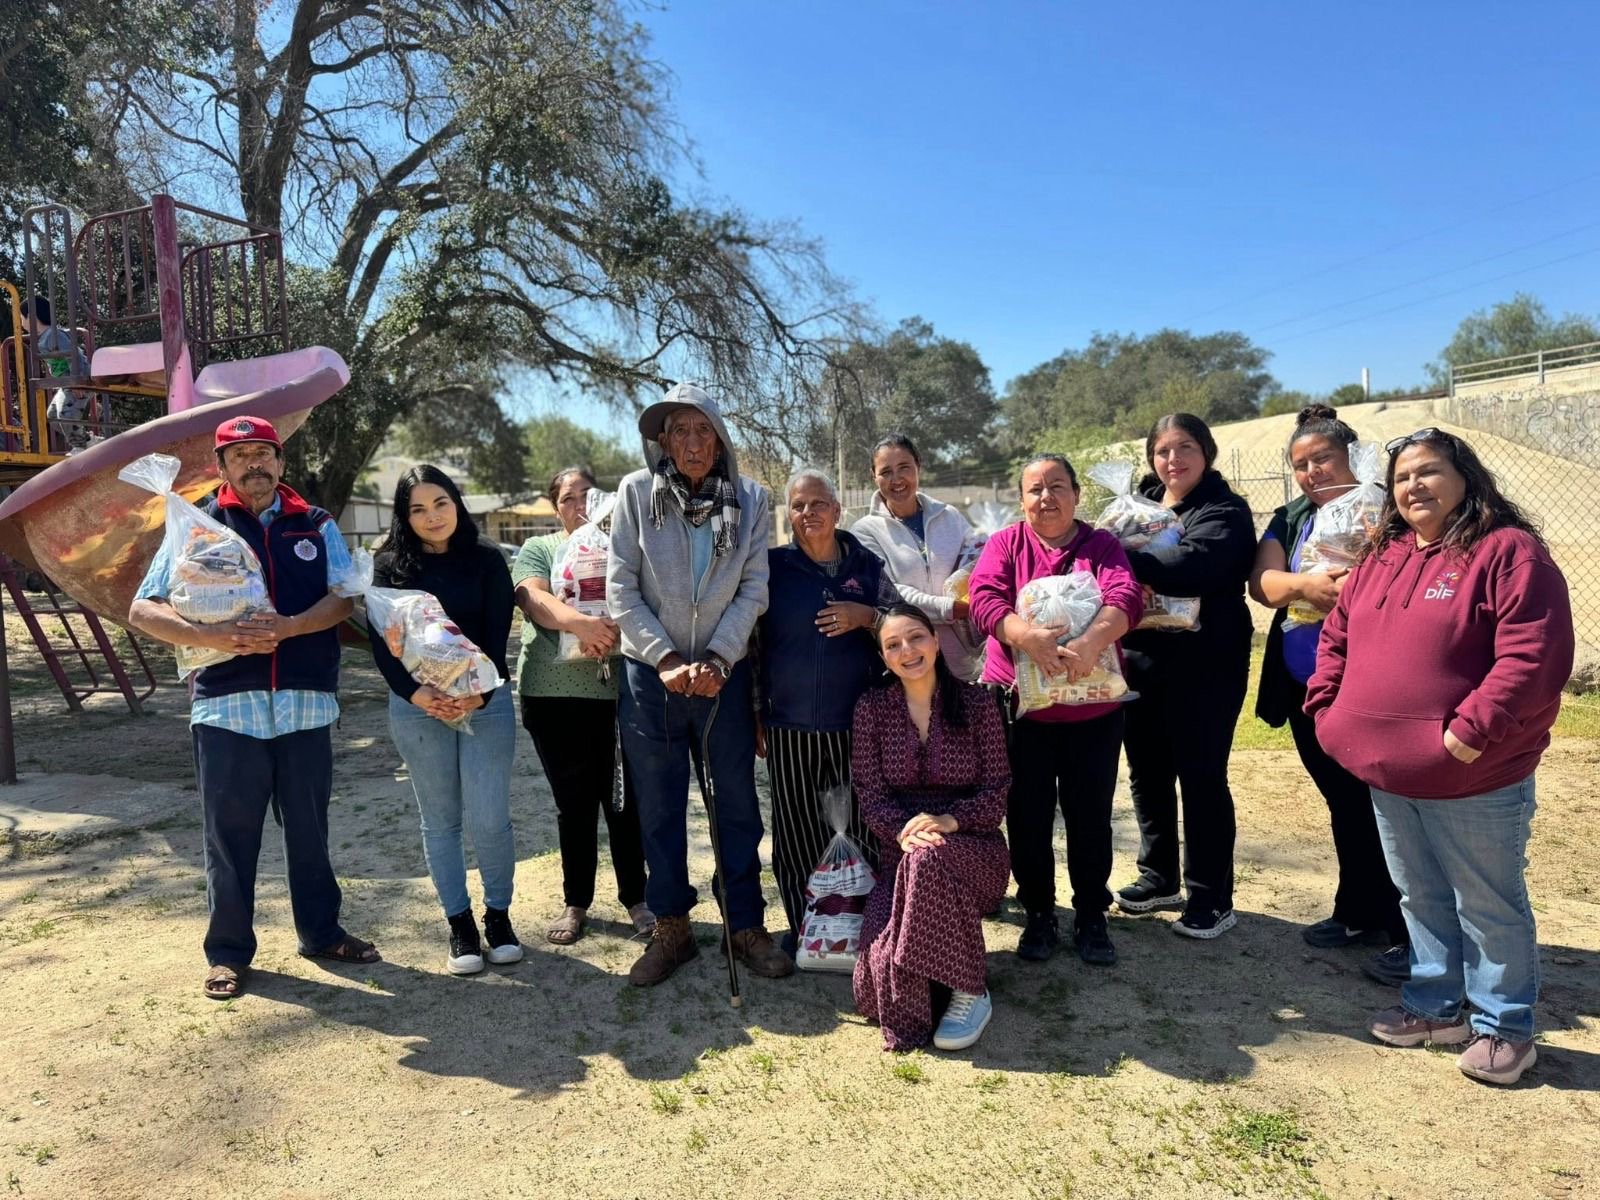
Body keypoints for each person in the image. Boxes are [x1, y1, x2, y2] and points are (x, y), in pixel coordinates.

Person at [1307, 428, 1573, 1086]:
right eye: (1402, 477)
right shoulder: (1384, 554)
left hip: (1475, 775)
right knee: (1419, 896)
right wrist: (1326, 709)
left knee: (1488, 904)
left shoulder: (1507, 551)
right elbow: (1337, 635)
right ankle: (1434, 1007)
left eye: (1427, 472)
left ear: (1465, 478)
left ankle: (1505, 1027)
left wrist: (1469, 733)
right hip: (1389, 774)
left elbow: (1533, 654)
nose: (1413, 486)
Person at [129, 415, 379, 1000]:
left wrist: (290, 627)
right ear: (220, 467)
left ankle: (321, 933)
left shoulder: (315, 524)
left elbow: (344, 599)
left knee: (310, 831)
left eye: (263, 453)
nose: (254, 464)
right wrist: (212, 638)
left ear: (281, 461)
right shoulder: (197, 524)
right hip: (226, 708)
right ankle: (228, 954)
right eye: (239, 456)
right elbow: (144, 608)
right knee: (229, 838)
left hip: (305, 704)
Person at [607, 382, 791, 986]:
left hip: (722, 676)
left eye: (703, 430)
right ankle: (673, 928)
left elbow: (754, 589)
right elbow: (620, 588)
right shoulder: (635, 494)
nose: (691, 442)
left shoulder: (751, 499)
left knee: (736, 804)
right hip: (650, 677)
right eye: (679, 430)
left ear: (720, 440)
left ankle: (744, 924)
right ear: (662, 441)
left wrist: (717, 657)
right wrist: (664, 658)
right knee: (659, 809)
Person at [1250, 404, 1406, 977]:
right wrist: (1308, 585)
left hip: (1372, 686)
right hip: (1306, 687)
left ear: (1351, 457)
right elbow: (1263, 583)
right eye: (1301, 464)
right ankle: (1358, 910)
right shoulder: (1292, 517)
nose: (1312, 472)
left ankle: (1409, 931)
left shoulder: (1384, 509)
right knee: (1344, 802)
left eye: (1323, 459)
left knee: (1387, 807)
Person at [968, 454, 1143, 965]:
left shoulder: (1101, 545)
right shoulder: (1006, 544)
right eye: (1035, 489)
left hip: (1093, 714)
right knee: (1027, 817)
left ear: (1076, 495)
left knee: (1090, 817)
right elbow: (985, 599)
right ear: (1022, 500)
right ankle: (1039, 913)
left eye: (1058, 486)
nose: (1047, 497)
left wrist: (1090, 643)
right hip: (1022, 713)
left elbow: (1125, 596)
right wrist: (1027, 638)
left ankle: (1091, 913)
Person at [368, 465, 520, 976]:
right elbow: (383, 643)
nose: (432, 517)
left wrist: (477, 695)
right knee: (440, 821)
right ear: (404, 517)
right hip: (418, 708)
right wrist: (416, 694)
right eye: (418, 509)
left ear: (457, 503)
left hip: (486, 704)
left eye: (441, 503)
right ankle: (460, 925)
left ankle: (498, 918)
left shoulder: (487, 559)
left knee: (489, 817)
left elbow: (498, 636)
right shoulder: (389, 567)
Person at [1116, 413, 1257, 938]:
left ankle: (1211, 897)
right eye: (1163, 450)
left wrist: (1119, 557)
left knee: (1201, 775)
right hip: (1142, 657)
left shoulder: (1225, 510)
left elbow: (1191, 566)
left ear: (1207, 452)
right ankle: (1159, 877)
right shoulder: (1138, 507)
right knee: (1147, 770)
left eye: (1185, 448)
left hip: (1206, 663)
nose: (1173, 459)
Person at [851, 605, 1011, 1052]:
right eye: (893, 645)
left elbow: (997, 791)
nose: (908, 650)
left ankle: (970, 990)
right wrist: (906, 832)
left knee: (929, 859)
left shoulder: (978, 704)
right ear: (884, 658)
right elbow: (871, 796)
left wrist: (948, 822)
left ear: (937, 642)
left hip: (975, 849)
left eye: (916, 637)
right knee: (871, 990)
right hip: (901, 852)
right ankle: (939, 981)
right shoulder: (871, 710)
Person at [512, 465, 652, 946]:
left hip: (618, 695)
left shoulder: (621, 547)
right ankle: (576, 903)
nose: (578, 505)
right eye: (568, 498)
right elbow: (532, 598)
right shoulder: (542, 547)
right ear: (556, 508)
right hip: (554, 697)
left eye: (587, 495)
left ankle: (637, 898)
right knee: (574, 804)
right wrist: (581, 625)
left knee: (624, 802)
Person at [756, 468, 892, 951]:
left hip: (858, 726)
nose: (808, 512)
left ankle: (864, 931)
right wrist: (756, 712)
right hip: (788, 727)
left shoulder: (867, 567)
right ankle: (806, 931)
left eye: (818, 503)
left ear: (837, 510)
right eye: (798, 505)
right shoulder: (770, 568)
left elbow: (903, 625)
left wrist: (866, 616)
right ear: (788, 514)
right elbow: (751, 645)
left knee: (862, 829)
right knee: (797, 834)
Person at [851, 433, 984, 681]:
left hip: (964, 665)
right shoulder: (865, 532)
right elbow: (890, 593)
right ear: (873, 476)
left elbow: (978, 560)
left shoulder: (950, 516)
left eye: (904, 467)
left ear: (918, 466)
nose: (896, 479)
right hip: (909, 664)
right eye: (886, 472)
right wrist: (950, 608)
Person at [20, 295, 93, 450]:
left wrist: (78, 381)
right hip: (67, 383)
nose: (21, 323)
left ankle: (80, 448)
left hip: (79, 379)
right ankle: (87, 441)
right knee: (53, 416)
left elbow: (74, 355)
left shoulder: (54, 335)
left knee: (66, 416)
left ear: (31, 317)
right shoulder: (43, 338)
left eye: (21, 318)